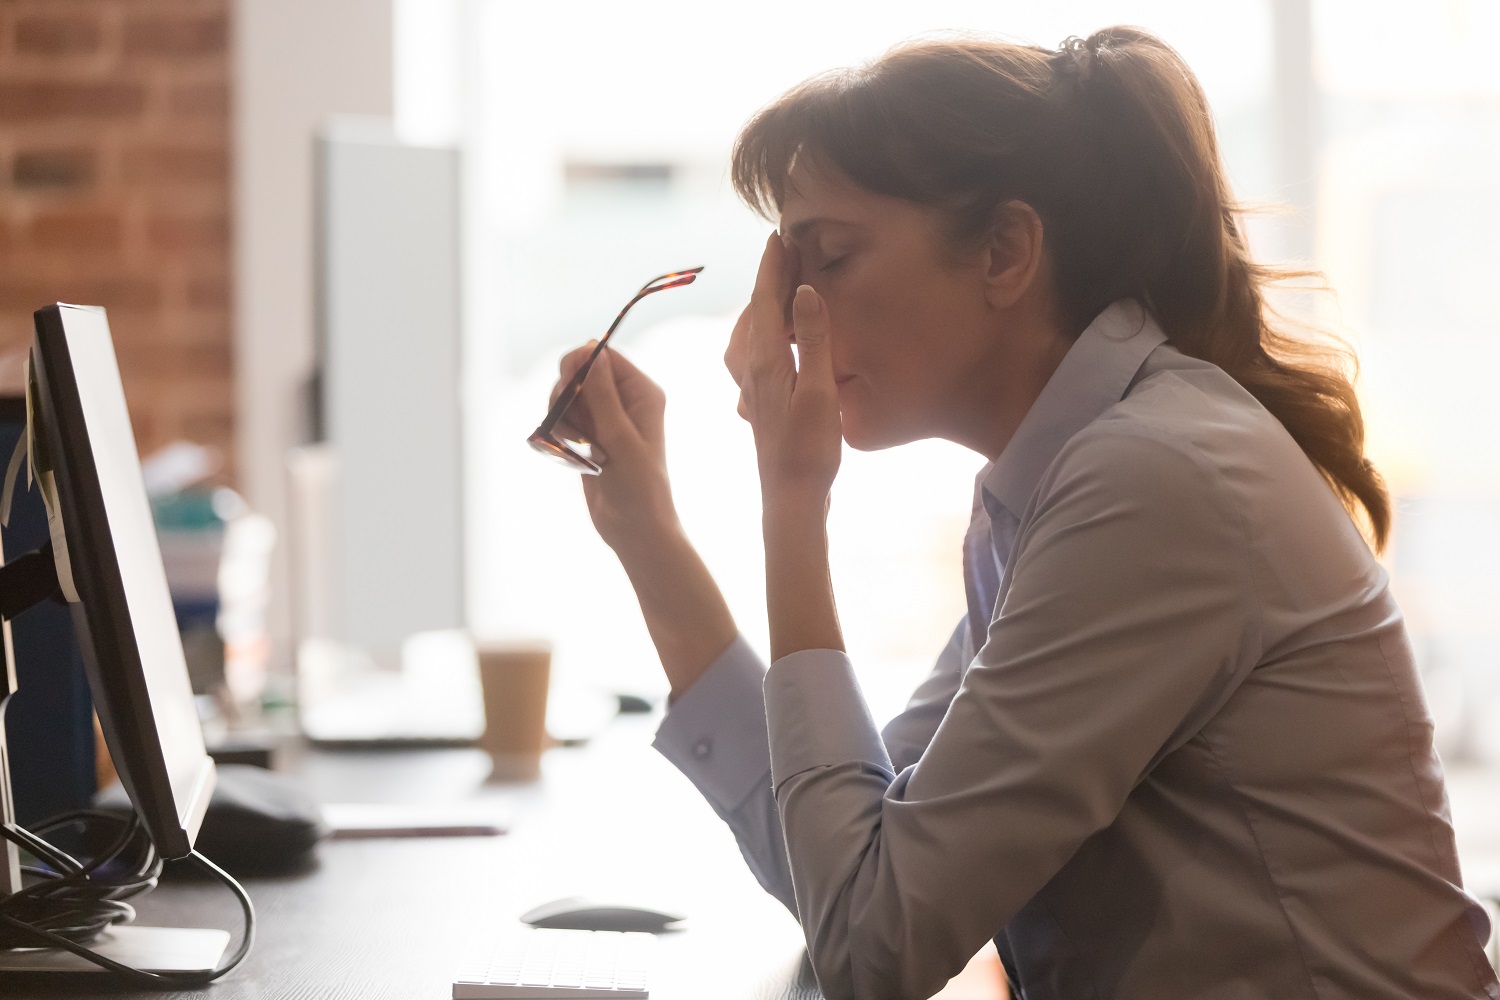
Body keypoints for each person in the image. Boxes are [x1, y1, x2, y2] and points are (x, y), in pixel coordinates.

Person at [545, 27, 1500, 1000]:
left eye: (825, 257)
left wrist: (793, 502)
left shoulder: (1152, 481)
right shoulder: (1061, 483)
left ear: (1004, 252)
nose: (787, 309)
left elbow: (876, 949)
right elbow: (841, 866)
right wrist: (648, 536)